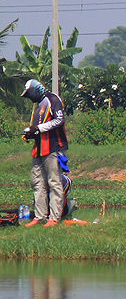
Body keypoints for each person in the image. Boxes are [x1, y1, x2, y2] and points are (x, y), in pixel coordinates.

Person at [20, 79, 69, 227]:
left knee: (54, 182)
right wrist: (30, 133)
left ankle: (54, 218)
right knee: (37, 181)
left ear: (36, 90)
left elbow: (59, 120)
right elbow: (38, 127)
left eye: (29, 95)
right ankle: (40, 216)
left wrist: (38, 129)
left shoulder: (52, 99)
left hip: (54, 147)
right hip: (39, 149)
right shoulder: (39, 105)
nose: (30, 98)